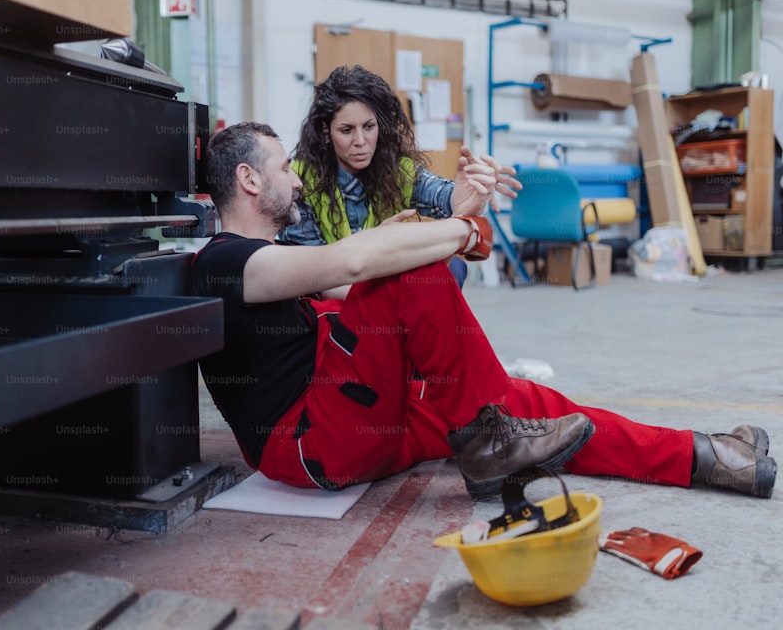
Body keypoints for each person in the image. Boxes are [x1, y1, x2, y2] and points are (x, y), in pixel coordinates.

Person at [191, 121, 777, 501]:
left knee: (527, 406)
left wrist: (452, 220)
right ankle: (487, 441)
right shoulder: (226, 261)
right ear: (248, 180)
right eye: (283, 168)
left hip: (354, 415)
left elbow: (359, 292)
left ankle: (706, 456)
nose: (295, 181)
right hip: (311, 440)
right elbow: (351, 268)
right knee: (406, 272)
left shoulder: (272, 260)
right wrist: (460, 229)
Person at [280, 65, 504, 288]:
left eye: (369, 126)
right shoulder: (298, 182)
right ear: (326, 132)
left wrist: (470, 195)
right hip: (333, 294)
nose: (360, 140)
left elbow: (443, 196)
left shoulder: (397, 172)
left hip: (382, 282)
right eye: (346, 130)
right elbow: (313, 273)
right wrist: (375, 242)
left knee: (453, 267)